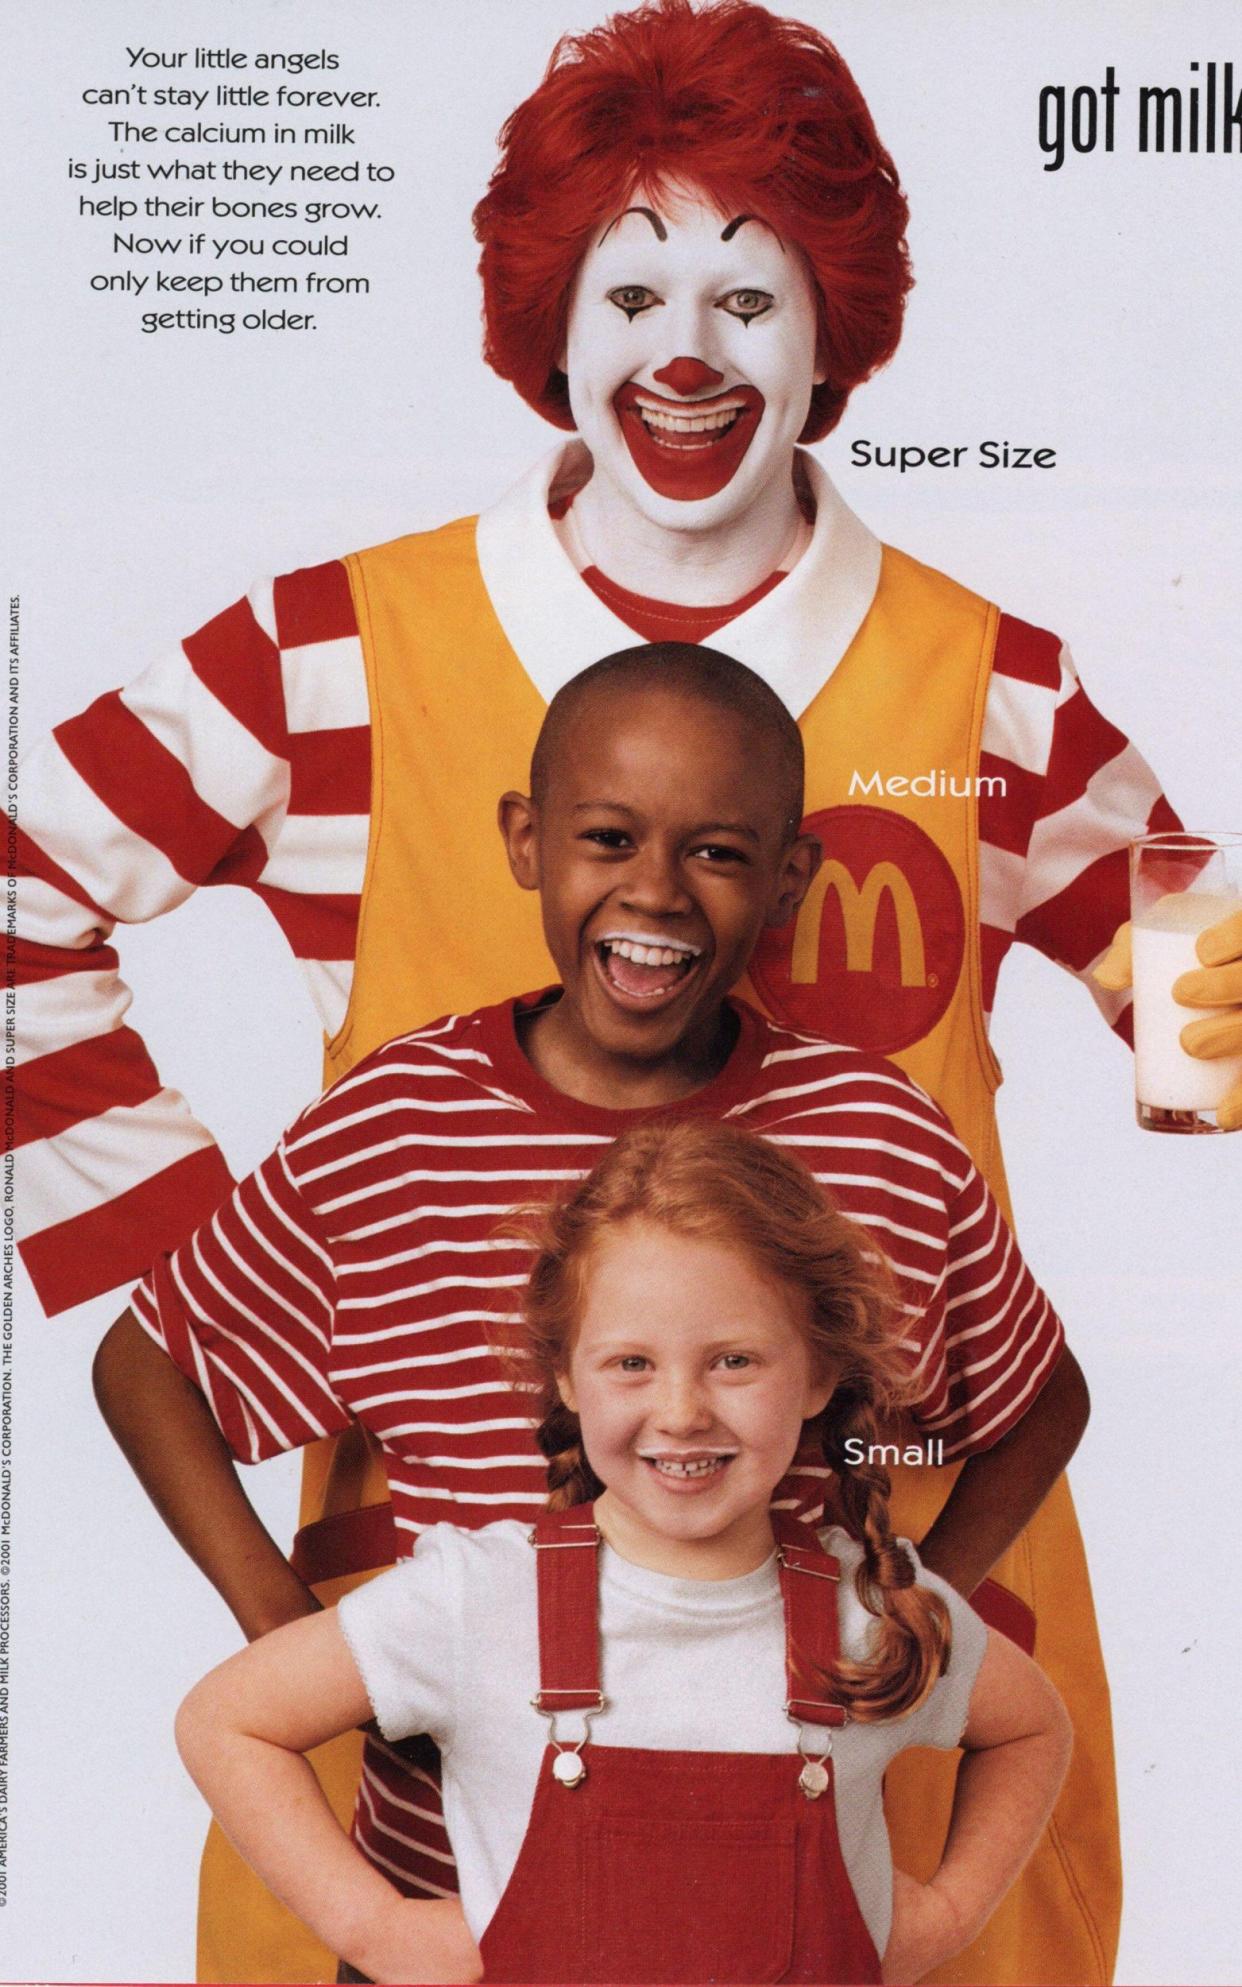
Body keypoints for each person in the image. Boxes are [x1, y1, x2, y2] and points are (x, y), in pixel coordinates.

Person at [21, 0, 1230, 1976]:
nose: (685, 347)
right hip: (445, 1671)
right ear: (552, 321)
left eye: (750, 296)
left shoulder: (993, 685)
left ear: (833, 333)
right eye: (634, 284)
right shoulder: (334, 652)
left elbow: (1195, 1024)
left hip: (890, 1630)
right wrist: (241, 1272)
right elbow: (22, 898)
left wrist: (1211, 1012)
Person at [96, 647, 1085, 1983]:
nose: (655, 893)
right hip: (439, 1903)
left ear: (787, 879)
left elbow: (1039, 1392)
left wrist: (916, 1603)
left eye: (719, 852)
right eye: (608, 836)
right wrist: (285, 1627)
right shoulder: (398, 1126)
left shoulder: (874, 1134)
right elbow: (151, 1357)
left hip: (781, 1931)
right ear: (525, 839)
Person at [173, 1117, 1074, 1987]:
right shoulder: (480, 1599)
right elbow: (228, 1720)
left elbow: (1030, 1728)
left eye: (734, 1361)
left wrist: (949, 1914)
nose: (681, 1410)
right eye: (632, 1363)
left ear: (818, 1375)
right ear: (567, 1375)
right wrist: (377, 1928)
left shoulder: (869, 1610)